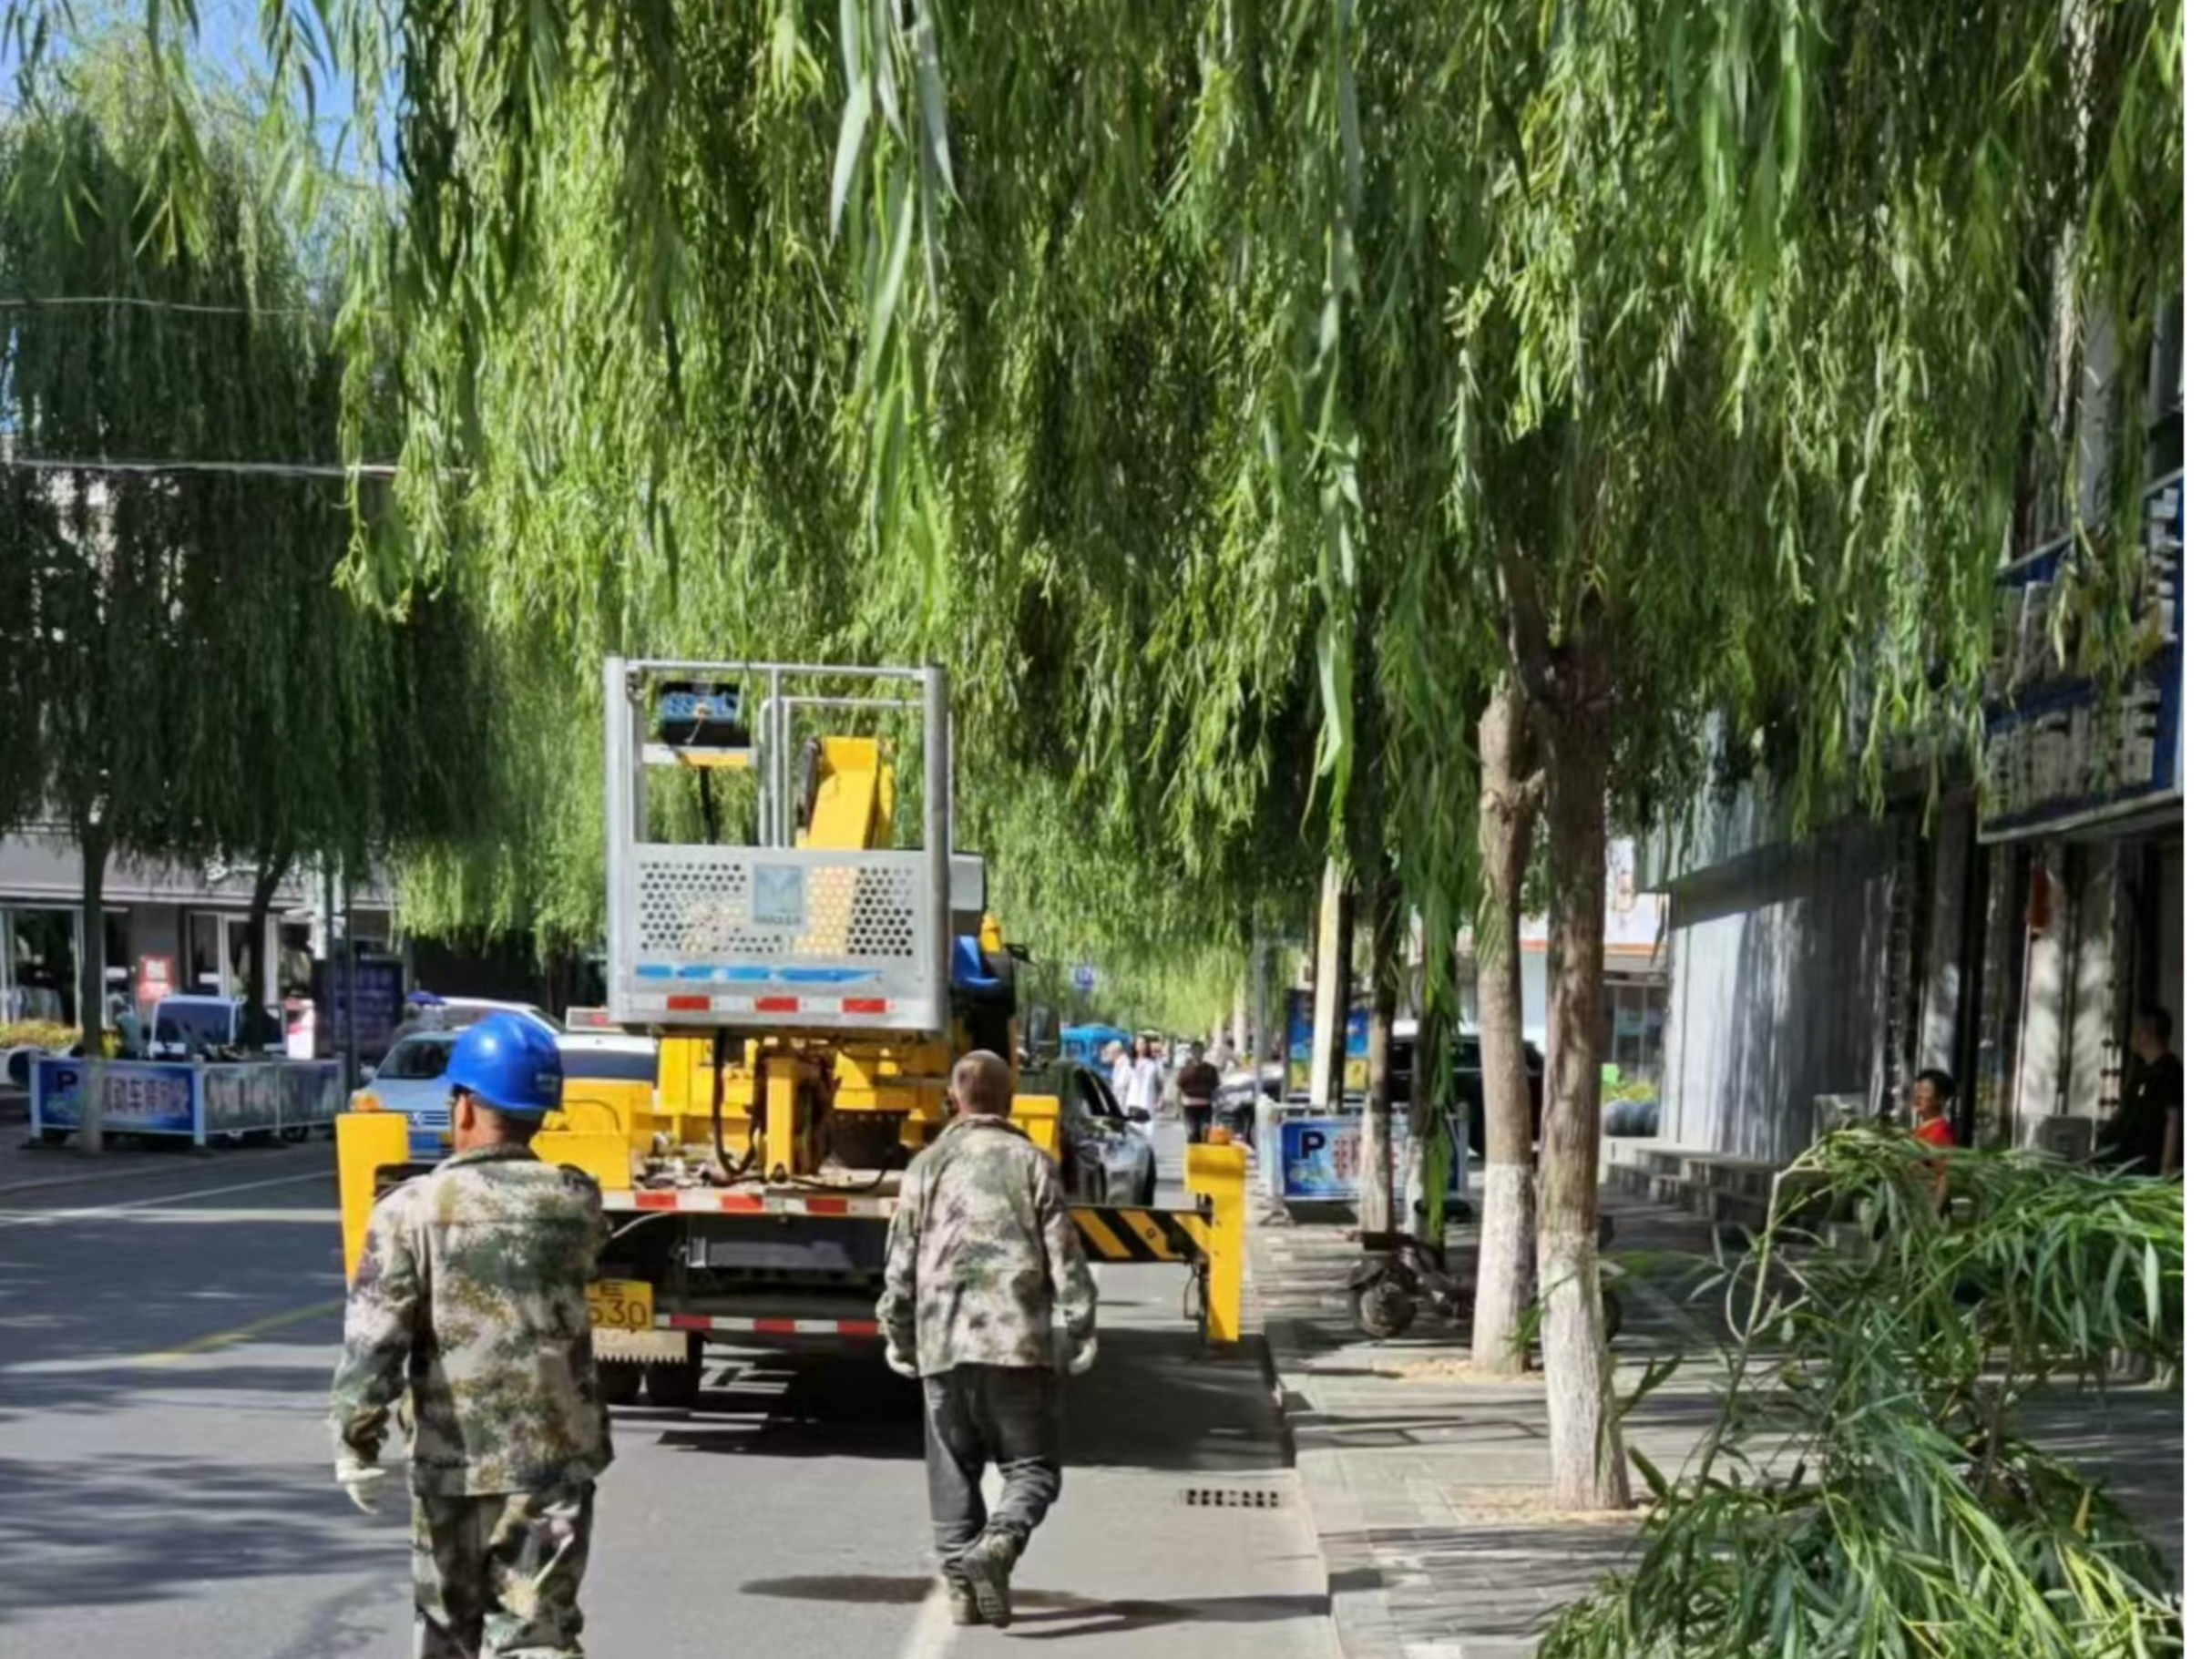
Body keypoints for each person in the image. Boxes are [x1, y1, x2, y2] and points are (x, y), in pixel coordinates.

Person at [330, 1012, 610, 1659]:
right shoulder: (577, 1200)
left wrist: (356, 1441)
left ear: (463, 1106)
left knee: (447, 1631)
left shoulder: (410, 1210)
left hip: (452, 1463)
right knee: (538, 1631)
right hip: (553, 1460)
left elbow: (374, 1340)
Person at [878, 1050, 1100, 1629]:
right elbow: (1064, 1253)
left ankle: (961, 1592)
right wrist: (1080, 1324)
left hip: (942, 1343)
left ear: (954, 1099)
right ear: (1010, 1099)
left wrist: (897, 1334)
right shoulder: (1032, 1162)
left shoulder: (926, 1165)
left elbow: (900, 1260)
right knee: (1032, 1468)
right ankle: (998, 1546)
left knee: (951, 1468)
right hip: (1016, 1345)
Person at [2103, 1007, 2183, 1176]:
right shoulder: (2140, 1072)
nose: (2131, 1035)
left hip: (2149, 1171)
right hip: (2125, 1165)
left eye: (2135, 1029)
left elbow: (2173, 1118)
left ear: (2146, 1033)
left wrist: (2166, 1167)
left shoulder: (2171, 1071)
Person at [1910, 1067, 1957, 1214]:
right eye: (1917, 1091)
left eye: (1924, 1091)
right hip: (1914, 1205)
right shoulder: (1919, 1130)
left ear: (1940, 1099)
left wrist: (1933, 1214)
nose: (1917, 1096)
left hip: (1927, 1207)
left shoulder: (1940, 1132)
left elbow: (1944, 1176)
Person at [1177, 1047, 1222, 1143]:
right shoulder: (1184, 1070)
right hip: (1189, 1107)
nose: (1197, 1054)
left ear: (1203, 1053)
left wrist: (1218, 1104)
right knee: (1192, 1133)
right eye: (1195, 1052)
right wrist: (1178, 1108)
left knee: (1205, 1133)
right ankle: (1193, 1154)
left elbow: (1216, 1088)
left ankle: (1203, 1156)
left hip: (1205, 1107)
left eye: (1199, 1051)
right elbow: (1179, 1089)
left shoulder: (1211, 1069)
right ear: (1191, 1053)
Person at [1128, 1037, 1166, 1123]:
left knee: (1146, 1130)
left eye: (1144, 1044)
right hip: (1132, 1102)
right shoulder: (1130, 1064)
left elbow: (1159, 1083)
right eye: (1139, 1044)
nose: (1142, 1046)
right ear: (1135, 1047)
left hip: (1147, 1102)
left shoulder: (1153, 1064)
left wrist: (1160, 1099)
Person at [1105, 1039, 1132, 1111]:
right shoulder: (1119, 1064)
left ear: (1115, 1052)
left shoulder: (1125, 1064)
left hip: (1123, 1104)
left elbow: (1120, 1086)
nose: (1108, 1056)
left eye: (1108, 1053)